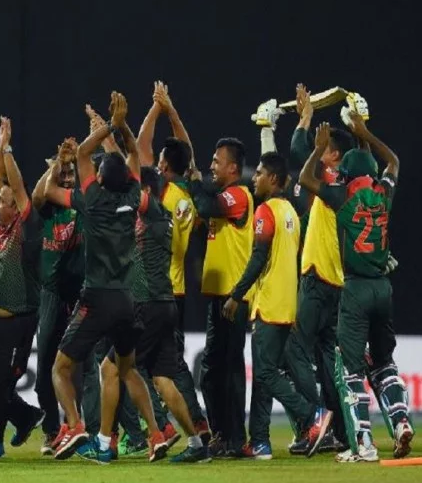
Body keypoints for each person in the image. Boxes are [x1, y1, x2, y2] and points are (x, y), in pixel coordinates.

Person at [49, 92, 168, 462]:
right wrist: (120, 126)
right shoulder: (132, 195)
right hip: (127, 301)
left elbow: (84, 153)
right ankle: (154, 435)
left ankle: (75, 426)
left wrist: (105, 129)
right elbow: (132, 154)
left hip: (97, 297)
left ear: (99, 177)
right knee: (123, 370)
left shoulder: (93, 200)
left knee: (60, 368)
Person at [299, 115, 414, 462]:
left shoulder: (343, 196)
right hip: (383, 289)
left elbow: (305, 179)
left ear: (348, 174)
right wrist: (366, 134)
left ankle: (363, 444)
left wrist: (318, 149)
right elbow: (393, 162)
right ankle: (401, 422)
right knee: (383, 363)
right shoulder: (383, 193)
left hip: (356, 290)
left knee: (348, 369)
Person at [91, 166, 210, 464]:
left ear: (145, 192)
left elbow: (131, 175)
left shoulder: (154, 215)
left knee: (110, 369)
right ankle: (196, 443)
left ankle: (105, 443)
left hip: (147, 306)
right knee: (163, 379)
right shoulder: (160, 219)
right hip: (165, 304)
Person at [223, 152, 333, 459]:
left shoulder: (266, 211)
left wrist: (236, 294)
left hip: (269, 304)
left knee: (266, 374)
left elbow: (259, 258)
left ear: (273, 179)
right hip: (288, 304)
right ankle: (260, 441)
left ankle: (312, 415)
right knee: (265, 373)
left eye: (259, 173)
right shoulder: (291, 214)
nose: (255, 178)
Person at [137, 81, 211, 442]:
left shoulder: (160, 193)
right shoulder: (188, 196)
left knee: (135, 363)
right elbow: (188, 153)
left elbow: (141, 146)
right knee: (172, 363)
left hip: (153, 288)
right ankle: (196, 423)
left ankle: (163, 427)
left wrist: (157, 108)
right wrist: (173, 111)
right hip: (177, 291)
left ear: (164, 166)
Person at [286, 84, 355, 451]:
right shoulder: (348, 184)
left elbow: (299, 153)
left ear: (335, 156)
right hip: (335, 284)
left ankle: (315, 421)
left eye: (326, 149)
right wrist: (306, 119)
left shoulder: (333, 178)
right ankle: (340, 431)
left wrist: (306, 119)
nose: (320, 153)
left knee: (294, 347)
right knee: (328, 360)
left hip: (318, 280)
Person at [0, 117, 45, 459]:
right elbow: (1, 179)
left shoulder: (23, 227)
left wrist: (7, 149)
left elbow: (15, 186)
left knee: (2, 382)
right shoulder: (0, 227)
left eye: (2, 202)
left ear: (14, 208)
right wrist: (1, 142)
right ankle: (25, 416)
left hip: (19, 320)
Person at [32, 137, 101, 455]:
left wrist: (76, 161)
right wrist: (59, 163)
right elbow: (37, 196)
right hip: (52, 293)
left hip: (81, 293)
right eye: (65, 174)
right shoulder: (50, 208)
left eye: (73, 173)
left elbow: (92, 180)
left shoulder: (84, 203)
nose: (69, 178)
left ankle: (91, 434)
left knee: (87, 367)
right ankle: (52, 431)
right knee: (46, 366)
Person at [188, 136, 253, 457]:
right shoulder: (222, 196)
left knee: (229, 370)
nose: (211, 166)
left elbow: (205, 206)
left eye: (217, 161)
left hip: (233, 298)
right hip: (219, 296)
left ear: (233, 168)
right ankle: (222, 435)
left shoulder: (238, 195)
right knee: (214, 370)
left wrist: (194, 183)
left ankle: (235, 439)